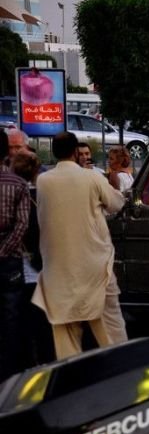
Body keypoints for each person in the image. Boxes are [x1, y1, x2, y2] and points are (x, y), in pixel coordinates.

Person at [32, 132, 128, 359]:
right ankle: (121, 366)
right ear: (76, 152)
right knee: (111, 329)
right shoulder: (92, 177)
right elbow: (116, 203)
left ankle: (71, 374)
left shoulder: (43, 181)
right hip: (95, 265)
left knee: (65, 333)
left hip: (58, 268)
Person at [11, 150, 55, 366]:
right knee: (44, 325)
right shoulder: (45, 196)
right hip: (44, 267)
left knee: (20, 324)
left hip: (19, 268)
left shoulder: (16, 194)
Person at [0, 129, 30, 381]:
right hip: (9, 260)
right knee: (11, 317)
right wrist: (4, 251)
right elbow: (22, 225)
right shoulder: (18, 184)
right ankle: (10, 376)